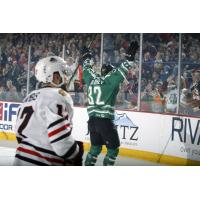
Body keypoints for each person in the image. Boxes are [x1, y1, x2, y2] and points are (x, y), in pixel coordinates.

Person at [13, 56, 83, 166]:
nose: (65, 77)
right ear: (54, 77)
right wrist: (76, 153)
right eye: (63, 73)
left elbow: (19, 135)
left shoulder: (28, 97)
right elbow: (61, 142)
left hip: (20, 159)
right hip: (43, 161)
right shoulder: (58, 96)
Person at [81, 41, 139, 166]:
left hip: (92, 121)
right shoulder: (111, 81)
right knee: (112, 150)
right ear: (109, 73)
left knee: (95, 149)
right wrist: (129, 57)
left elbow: (86, 68)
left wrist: (86, 57)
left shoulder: (91, 79)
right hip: (105, 122)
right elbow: (123, 68)